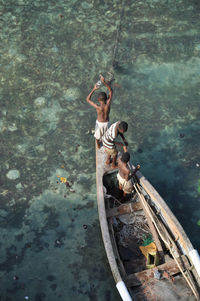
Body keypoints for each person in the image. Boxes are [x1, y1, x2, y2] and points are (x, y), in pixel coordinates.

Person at [86, 75, 113, 148]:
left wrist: (94, 89)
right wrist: (104, 82)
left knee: (97, 137)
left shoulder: (98, 107)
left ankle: (98, 146)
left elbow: (88, 99)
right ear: (106, 98)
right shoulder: (108, 104)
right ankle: (106, 143)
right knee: (107, 136)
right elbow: (110, 91)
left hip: (100, 124)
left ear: (98, 100)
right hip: (107, 123)